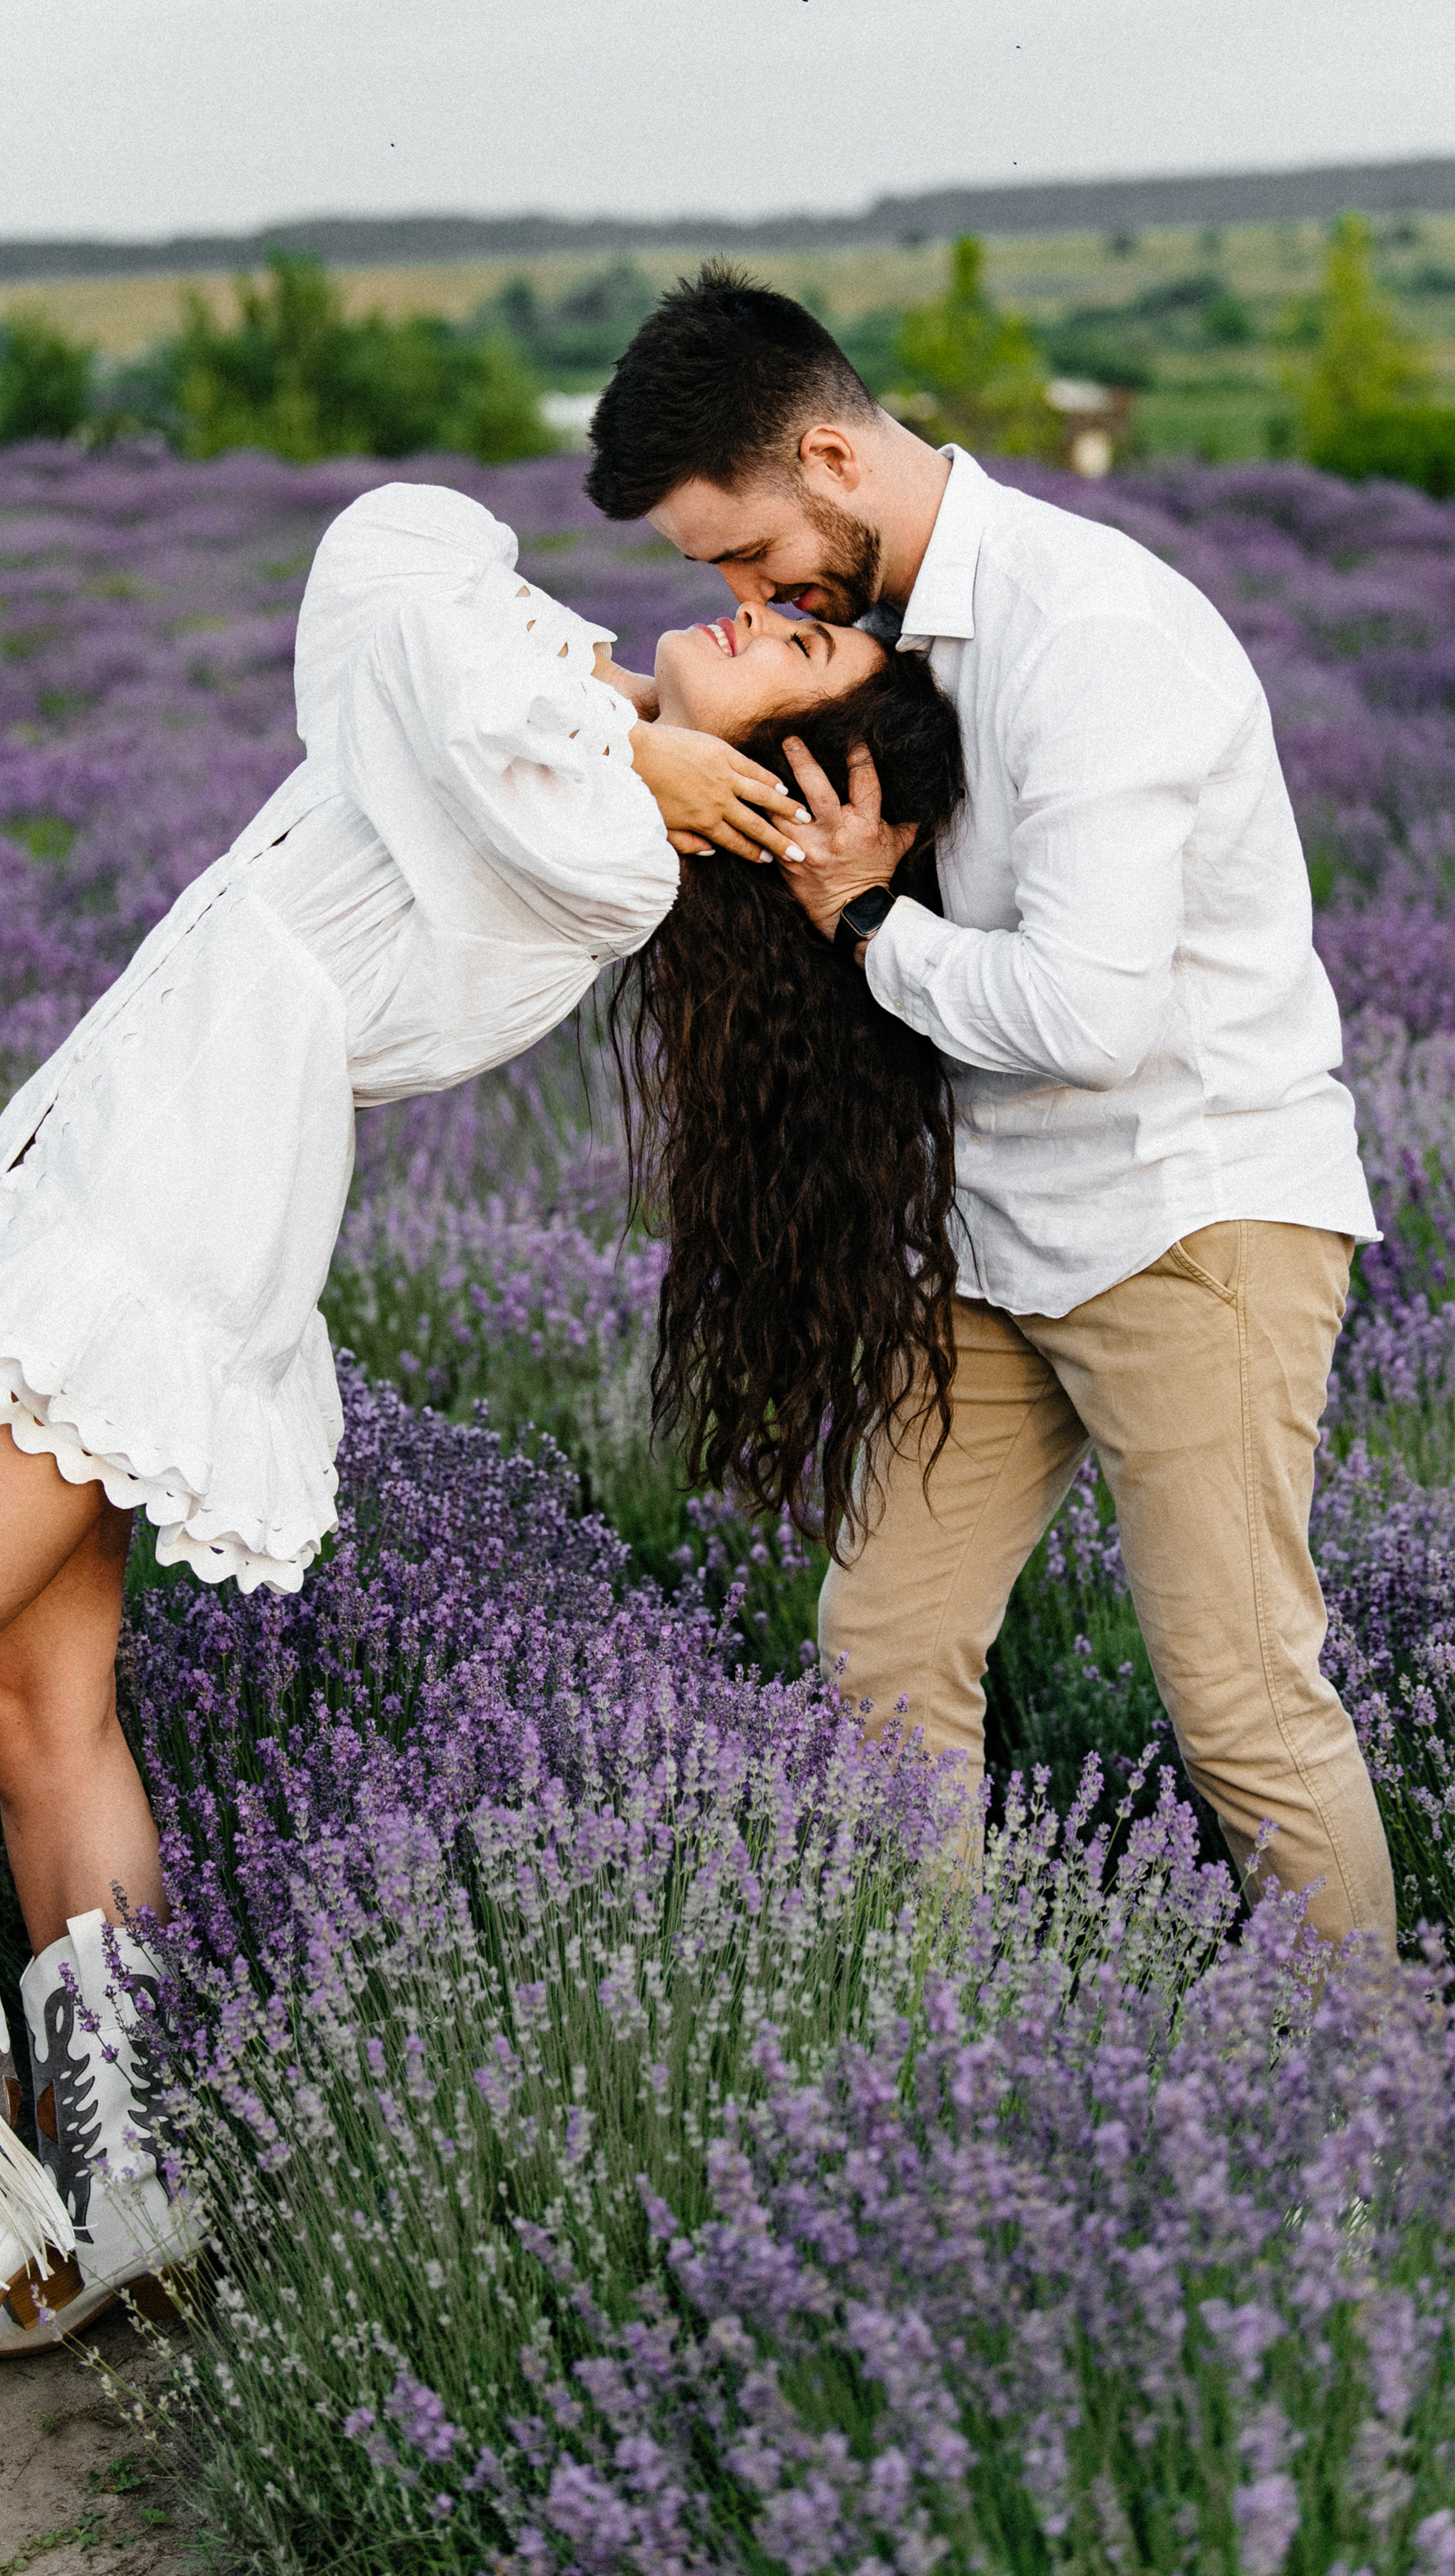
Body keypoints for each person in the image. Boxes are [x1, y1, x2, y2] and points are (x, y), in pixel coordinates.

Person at [0, 479, 943, 2426]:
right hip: (157, 1215)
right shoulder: (578, 764)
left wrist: (621, 731)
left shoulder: (595, 834)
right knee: (35, 1712)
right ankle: (133, 2192)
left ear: (773, 772)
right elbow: (404, 580)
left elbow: (388, 598)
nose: (748, 612)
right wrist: (631, 704)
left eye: (798, 642)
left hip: (148, 1238)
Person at [586, 264, 1393, 1956]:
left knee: (1242, 1704)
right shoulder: (900, 632)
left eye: (746, 550)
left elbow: (1092, 1017)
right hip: (998, 1235)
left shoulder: (1083, 631)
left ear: (826, 457)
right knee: (885, 1646)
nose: (747, 593)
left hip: (1192, 1220)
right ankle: (939, 2048)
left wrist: (869, 920)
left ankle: (1372, 2095)